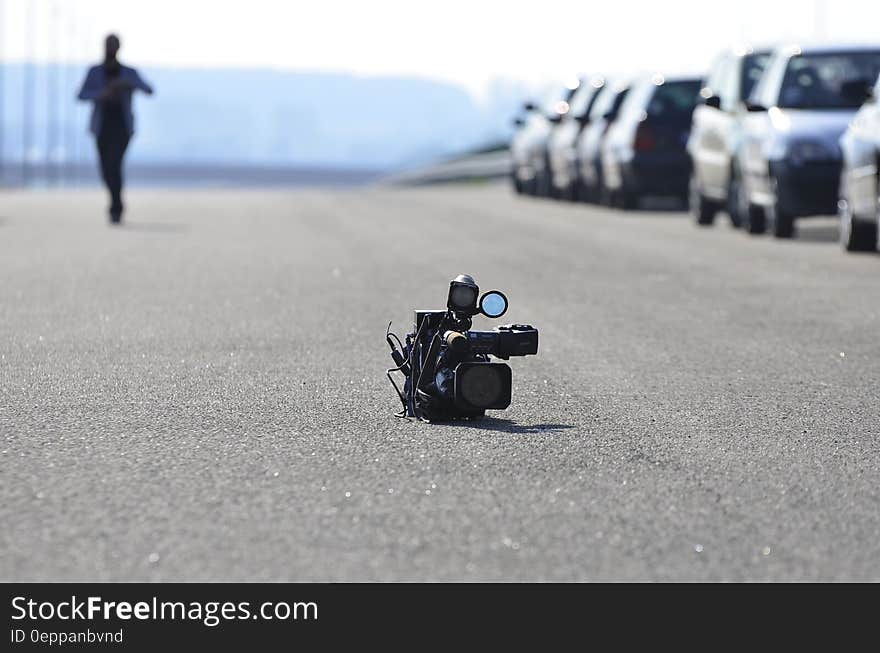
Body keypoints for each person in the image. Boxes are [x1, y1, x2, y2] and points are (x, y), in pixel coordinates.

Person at [77, 34, 153, 224]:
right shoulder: (95, 72)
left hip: (122, 126)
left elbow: (149, 90)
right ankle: (115, 200)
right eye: (109, 45)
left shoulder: (128, 72)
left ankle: (116, 208)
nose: (111, 49)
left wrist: (129, 84)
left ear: (119, 48)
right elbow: (81, 95)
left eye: (114, 45)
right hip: (102, 126)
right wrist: (101, 94)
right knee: (105, 169)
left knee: (115, 165)